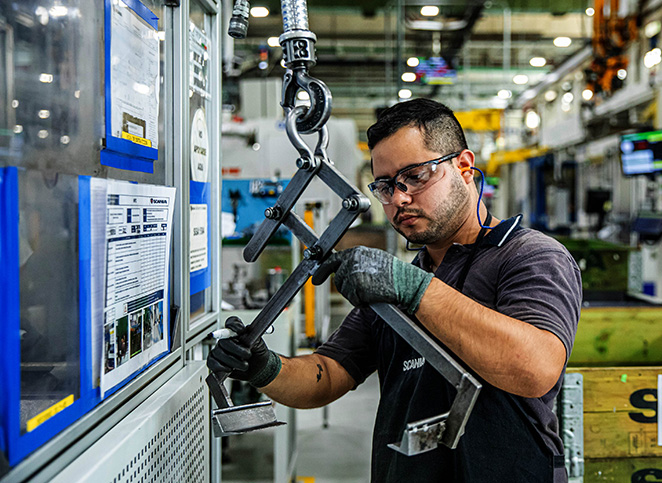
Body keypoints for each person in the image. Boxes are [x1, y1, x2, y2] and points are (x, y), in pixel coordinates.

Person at [208, 98, 582, 482]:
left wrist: (413, 288)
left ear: (464, 167)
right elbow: (327, 375)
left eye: (416, 176)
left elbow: (536, 369)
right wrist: (262, 366)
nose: (399, 198)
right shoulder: (394, 285)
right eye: (385, 186)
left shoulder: (529, 256)